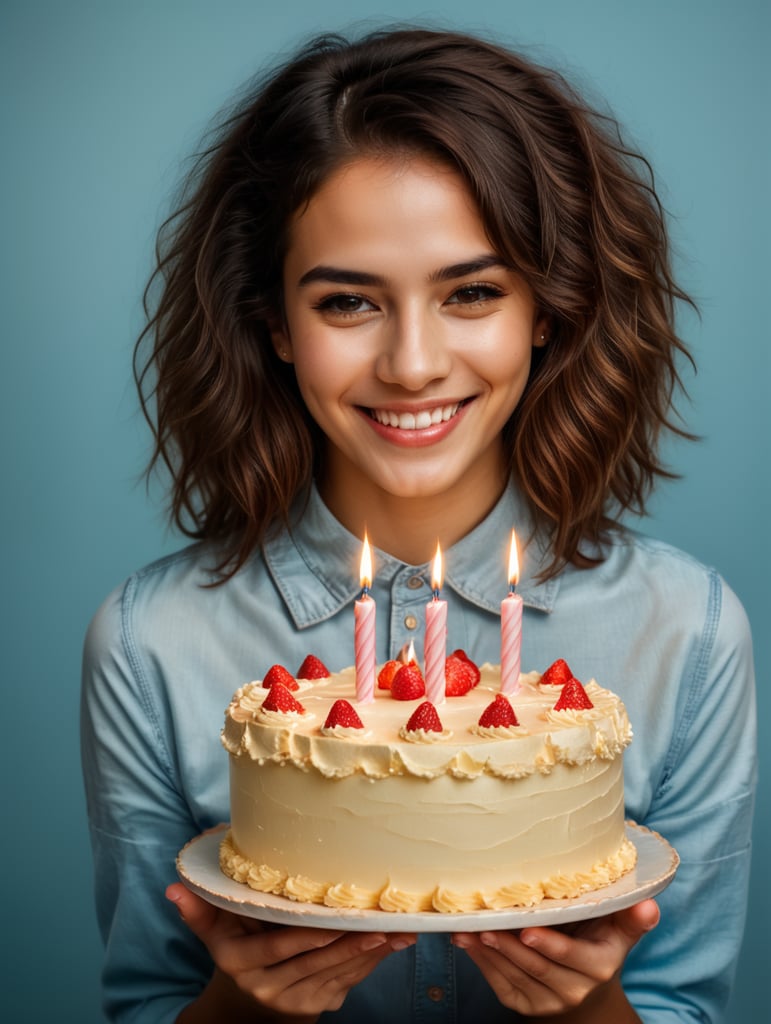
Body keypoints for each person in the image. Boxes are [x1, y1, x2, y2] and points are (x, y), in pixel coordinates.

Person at [81, 26, 756, 1023]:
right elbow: (150, 1003)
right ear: (274, 323)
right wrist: (251, 1001)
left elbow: (680, 1005)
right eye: (348, 302)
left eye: (471, 293)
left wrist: (580, 1004)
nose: (411, 364)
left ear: (546, 309)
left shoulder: (687, 633)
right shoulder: (150, 644)